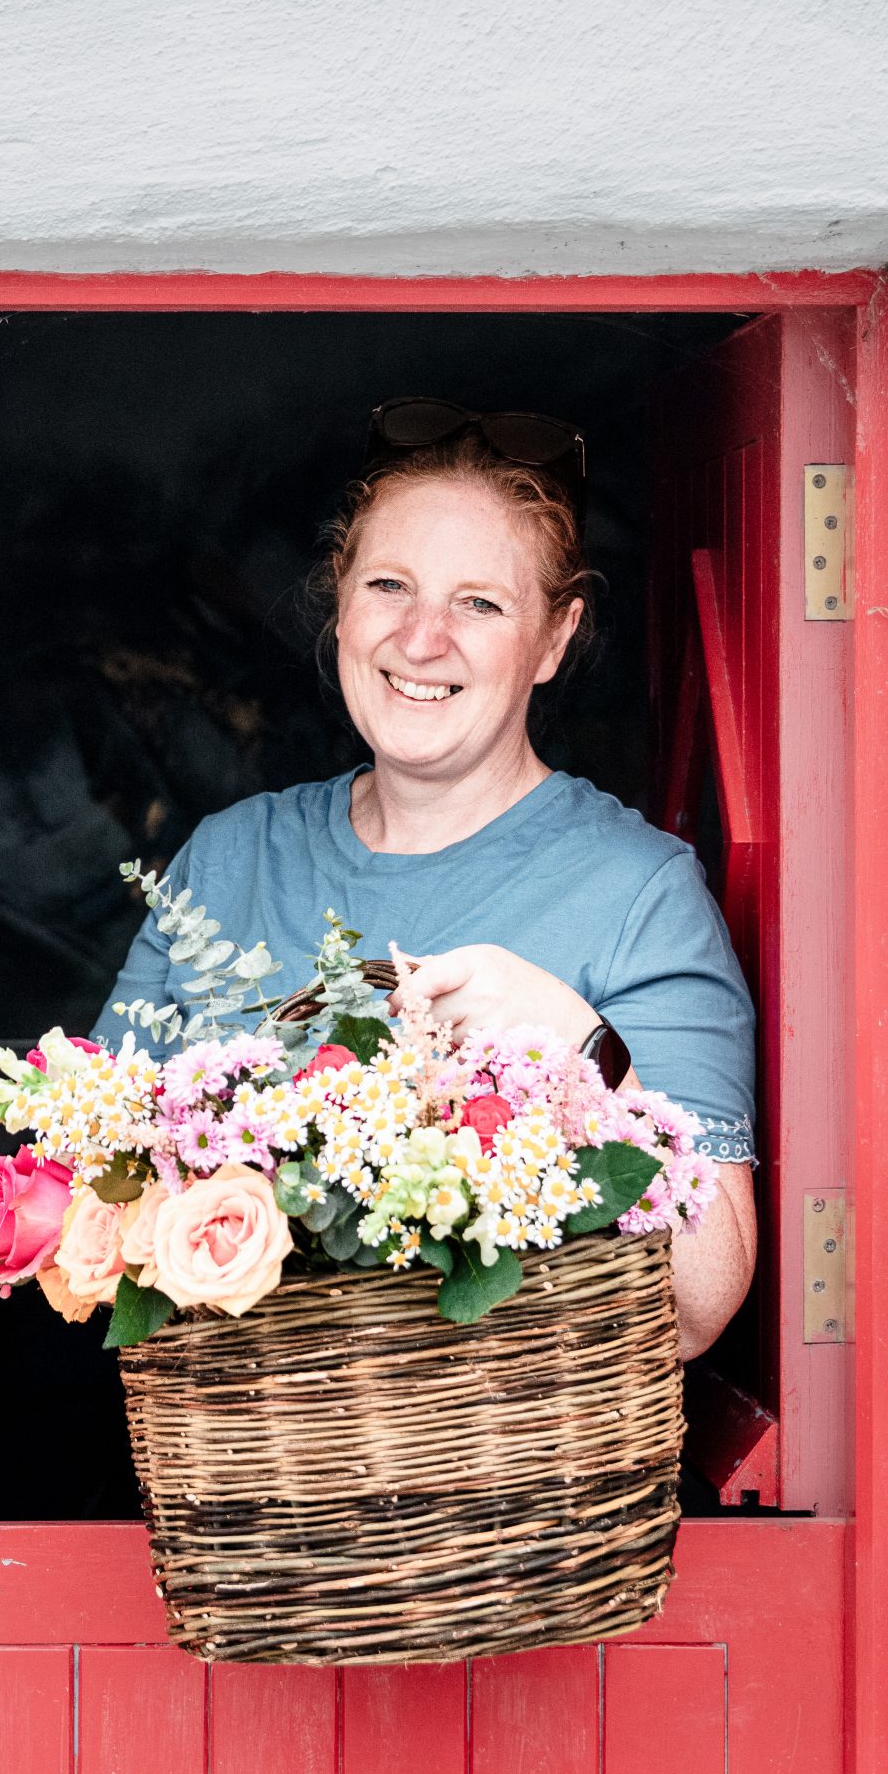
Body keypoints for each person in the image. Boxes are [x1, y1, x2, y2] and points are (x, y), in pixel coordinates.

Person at [95, 402, 756, 1359]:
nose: (421, 637)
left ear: (556, 639)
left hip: (504, 1475)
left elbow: (698, 1312)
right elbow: (86, 1208)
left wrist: (580, 1049)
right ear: (340, 596)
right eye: (390, 585)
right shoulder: (230, 859)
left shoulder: (640, 892)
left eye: (480, 603)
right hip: (244, 1466)